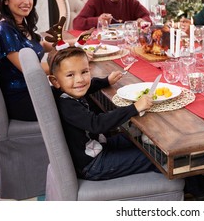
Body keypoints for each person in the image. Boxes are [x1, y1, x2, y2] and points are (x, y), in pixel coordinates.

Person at [47, 46, 158, 180]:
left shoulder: (68, 91)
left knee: (135, 139)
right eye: (71, 75)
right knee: (154, 158)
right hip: (93, 164)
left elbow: (89, 85)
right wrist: (134, 108)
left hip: (98, 146)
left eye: (84, 72)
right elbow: (97, 124)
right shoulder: (67, 105)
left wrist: (106, 81)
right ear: (55, 81)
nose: (80, 79)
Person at [0, 0, 56, 121]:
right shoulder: (3, 30)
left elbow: (42, 45)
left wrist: (75, 45)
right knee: (75, 98)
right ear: (6, 0)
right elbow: (31, 70)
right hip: (21, 100)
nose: (27, 1)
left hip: (35, 91)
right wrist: (65, 66)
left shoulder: (21, 26)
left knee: (84, 92)